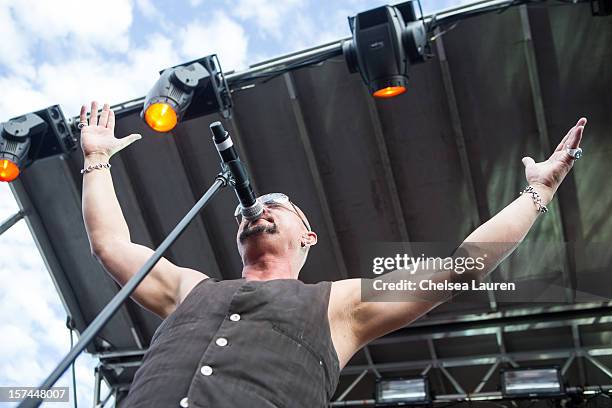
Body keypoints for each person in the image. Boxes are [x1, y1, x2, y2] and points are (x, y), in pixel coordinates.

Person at [79, 101, 586, 407]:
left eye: (278, 205)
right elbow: (111, 245)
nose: (257, 210)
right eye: (248, 212)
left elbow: (460, 266)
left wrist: (537, 193)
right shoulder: (191, 289)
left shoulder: (337, 305)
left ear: (309, 235)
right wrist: (97, 160)